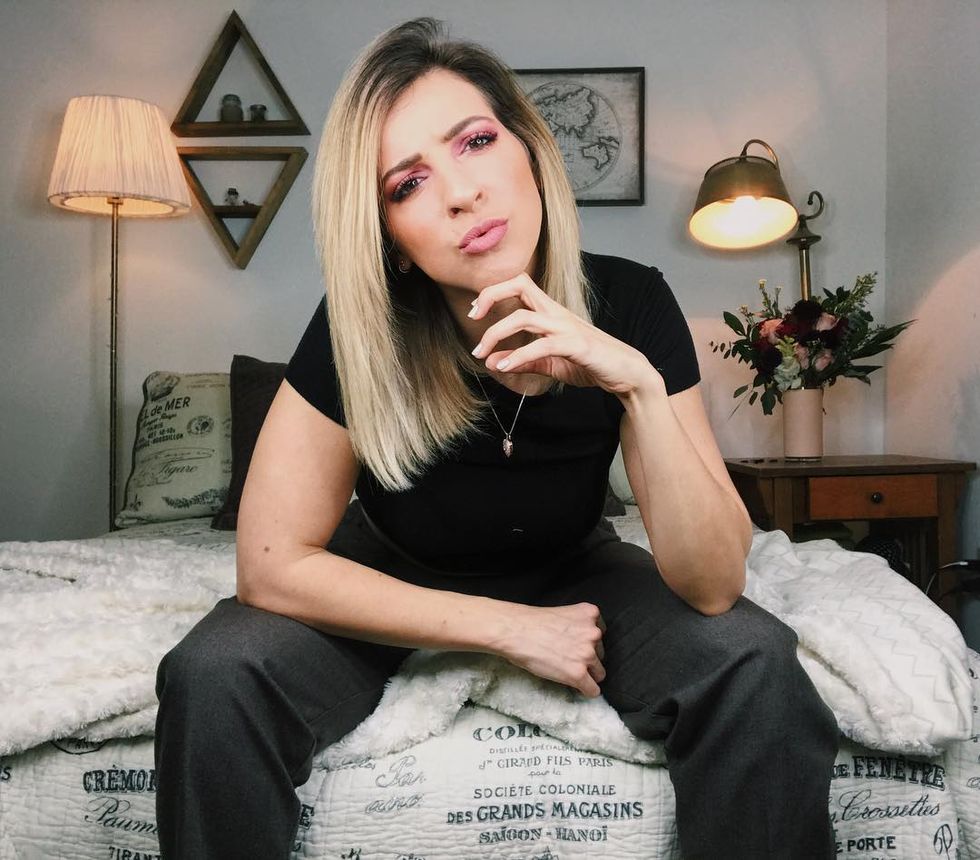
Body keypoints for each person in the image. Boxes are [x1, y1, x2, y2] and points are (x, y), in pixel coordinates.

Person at [154, 17, 839, 859]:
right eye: (408, 184)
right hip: (393, 574)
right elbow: (269, 565)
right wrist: (503, 626)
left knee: (755, 659)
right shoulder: (356, 330)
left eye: (475, 142)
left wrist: (637, 386)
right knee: (212, 672)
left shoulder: (632, 302)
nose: (459, 194)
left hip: (575, 567)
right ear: (392, 241)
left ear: (530, 151)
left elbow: (713, 584)